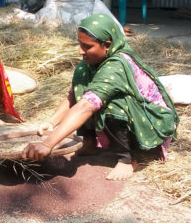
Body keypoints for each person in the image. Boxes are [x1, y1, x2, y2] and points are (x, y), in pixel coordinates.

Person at [22, 14, 179, 180]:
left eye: (87, 46)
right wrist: (51, 122)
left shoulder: (117, 64)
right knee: (85, 87)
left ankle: (127, 159)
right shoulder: (90, 64)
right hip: (133, 120)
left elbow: (86, 106)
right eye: (80, 44)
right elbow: (73, 97)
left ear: (107, 45)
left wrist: (48, 143)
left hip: (150, 124)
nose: (80, 51)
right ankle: (90, 143)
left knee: (110, 103)